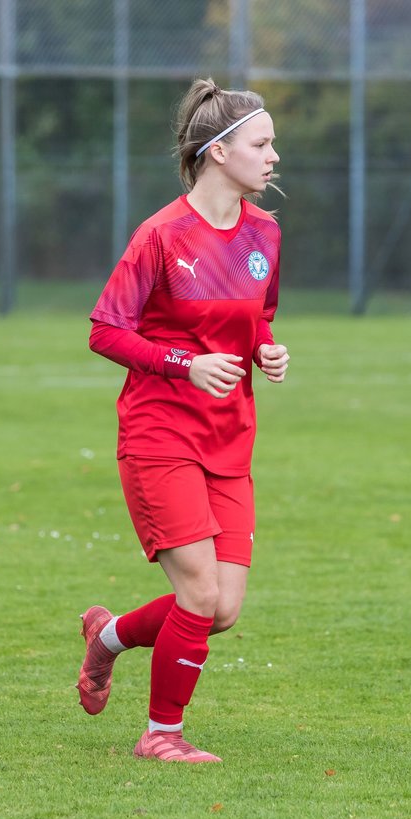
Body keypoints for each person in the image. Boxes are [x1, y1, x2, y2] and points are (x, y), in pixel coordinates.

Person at [76, 78, 289, 763]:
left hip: (229, 436)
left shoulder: (264, 232)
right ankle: (160, 734)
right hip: (159, 432)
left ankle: (106, 638)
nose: (273, 156)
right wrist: (183, 364)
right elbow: (106, 331)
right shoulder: (161, 237)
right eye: (262, 144)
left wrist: (266, 350)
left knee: (221, 609)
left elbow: (257, 317)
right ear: (218, 152)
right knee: (197, 592)